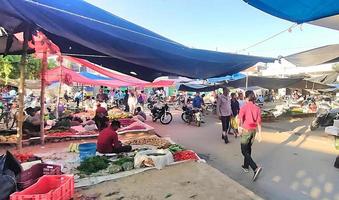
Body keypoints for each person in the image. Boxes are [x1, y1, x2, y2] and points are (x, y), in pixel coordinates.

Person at [238, 90, 263, 181]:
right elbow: (259, 123)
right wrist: (260, 135)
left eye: (245, 97)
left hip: (246, 131)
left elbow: (240, 119)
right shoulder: (257, 108)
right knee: (248, 149)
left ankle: (255, 168)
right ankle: (245, 166)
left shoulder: (244, 107)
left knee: (244, 151)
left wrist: (239, 128)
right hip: (253, 131)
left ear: (247, 98)